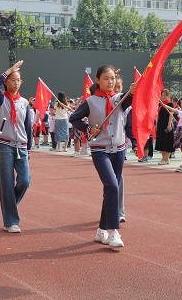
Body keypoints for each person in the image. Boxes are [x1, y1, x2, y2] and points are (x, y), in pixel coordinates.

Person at [69, 65, 136, 249]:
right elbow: (73, 119)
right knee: (112, 185)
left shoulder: (119, 99)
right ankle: (114, 231)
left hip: (119, 150)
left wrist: (131, 92)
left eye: (113, 78)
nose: (110, 81)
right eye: (106, 78)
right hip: (100, 150)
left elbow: (128, 102)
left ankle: (101, 230)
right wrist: (89, 129)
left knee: (110, 190)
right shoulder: (90, 102)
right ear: (97, 80)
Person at [0, 60, 32, 233]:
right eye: (12, 79)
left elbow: (28, 126)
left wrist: (29, 148)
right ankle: (11, 221)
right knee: (6, 183)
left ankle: (10, 205)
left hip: (21, 146)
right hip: (5, 145)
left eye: (18, 80)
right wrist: (9, 70)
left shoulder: (24, 102)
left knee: (25, 180)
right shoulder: (1, 100)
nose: (16, 83)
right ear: (6, 82)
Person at [155, 89, 175, 165]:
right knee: (161, 142)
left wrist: (169, 124)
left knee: (167, 142)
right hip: (160, 125)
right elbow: (158, 115)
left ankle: (166, 159)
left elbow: (171, 114)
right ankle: (163, 158)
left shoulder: (170, 104)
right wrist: (156, 125)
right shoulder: (160, 104)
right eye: (162, 95)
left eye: (165, 95)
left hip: (167, 125)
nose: (163, 97)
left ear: (168, 96)